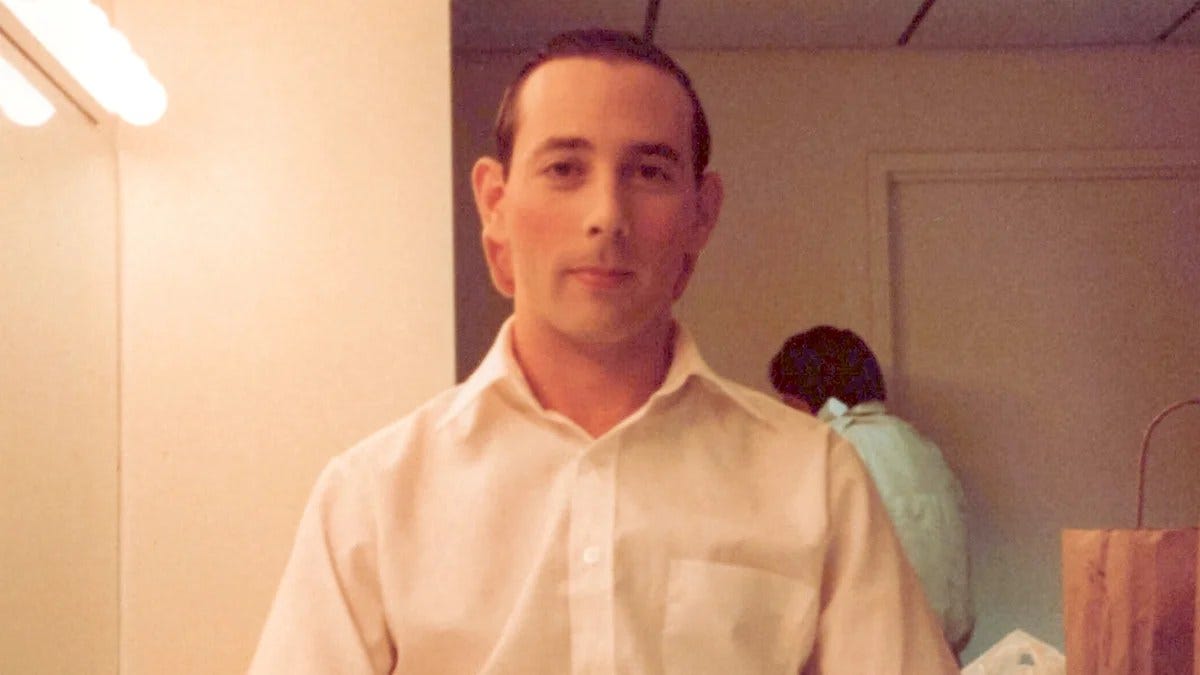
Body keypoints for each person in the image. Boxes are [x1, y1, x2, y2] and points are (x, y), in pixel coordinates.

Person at [249, 29, 957, 674]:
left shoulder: (815, 479)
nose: (607, 216)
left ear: (701, 213)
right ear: (495, 203)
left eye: (649, 173)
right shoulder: (372, 497)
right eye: (564, 168)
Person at [769, 326, 975, 657]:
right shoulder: (920, 447)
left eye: (788, 403)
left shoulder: (830, 454)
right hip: (941, 655)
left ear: (809, 400)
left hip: (870, 655)